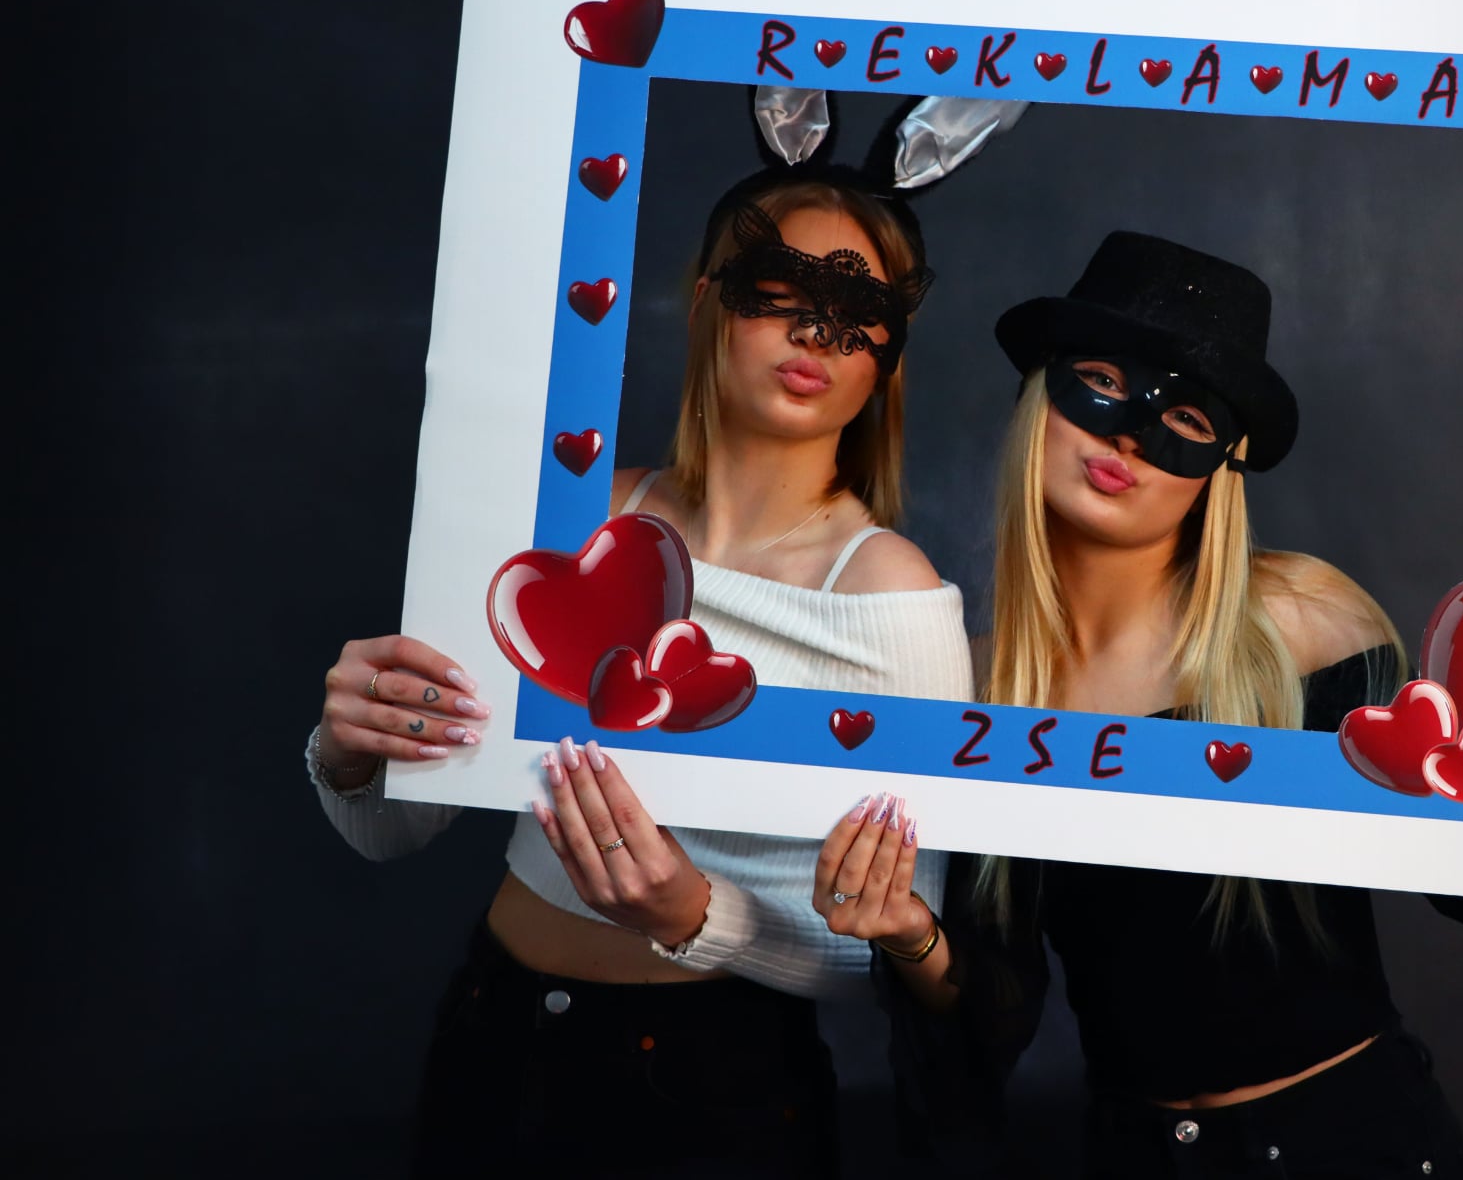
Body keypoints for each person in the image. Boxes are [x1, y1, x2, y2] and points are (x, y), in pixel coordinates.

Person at [813, 231, 1463, 1179]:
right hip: (1133, 1155)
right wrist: (910, 933)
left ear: (1223, 461)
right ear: (1039, 396)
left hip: (1349, 1148)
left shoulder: (1300, 625)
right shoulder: (981, 685)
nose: (1129, 436)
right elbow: (997, 998)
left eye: (1185, 416)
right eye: (1099, 382)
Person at [310, 154, 974, 1177]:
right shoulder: (575, 524)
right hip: (493, 1033)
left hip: (711, 1089)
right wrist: (353, 751)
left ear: (888, 355)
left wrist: (696, 916)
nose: (814, 336)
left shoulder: (888, 593)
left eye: (858, 316)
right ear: (708, 302)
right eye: (779, 294)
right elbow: (392, 828)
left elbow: (885, 948)